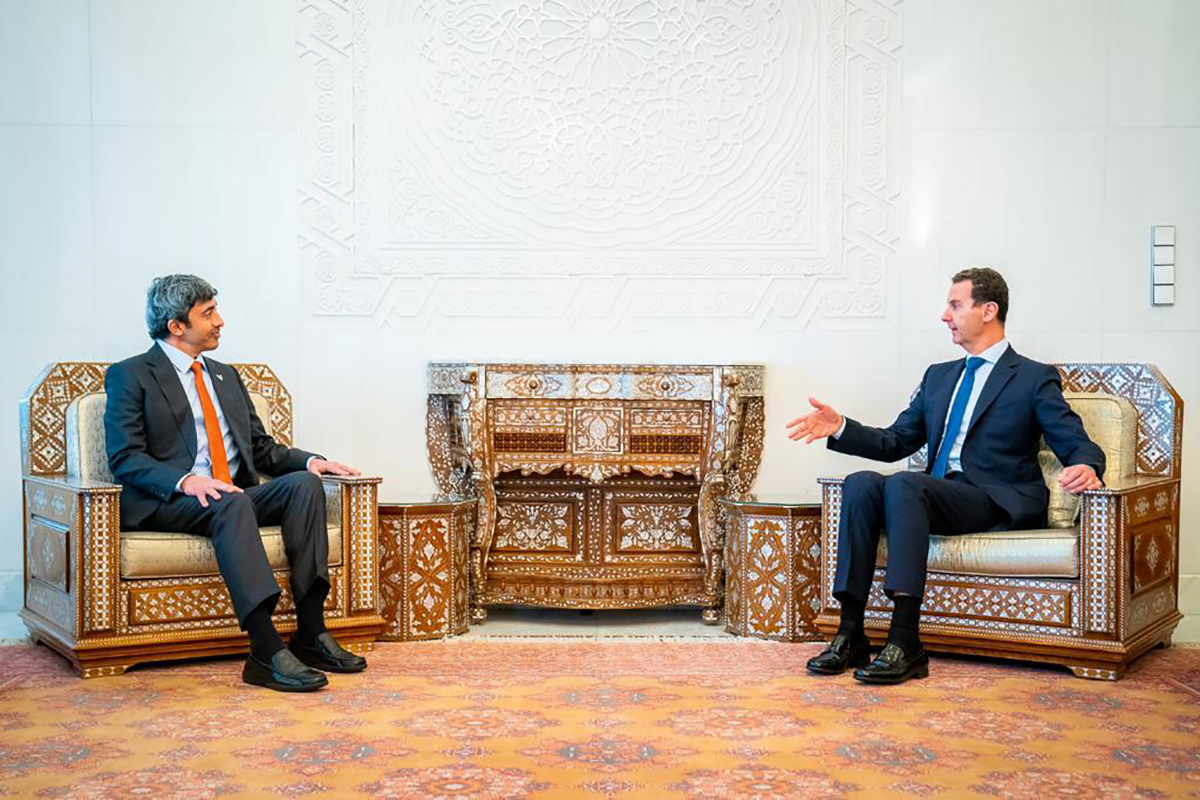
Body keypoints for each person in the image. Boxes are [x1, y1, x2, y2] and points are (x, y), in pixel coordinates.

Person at [786, 267, 1104, 684]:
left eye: (955, 305)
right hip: (933, 496)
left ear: (988, 310)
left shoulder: (1031, 376)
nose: (944, 315)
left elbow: (1073, 437)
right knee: (861, 483)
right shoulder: (939, 377)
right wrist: (841, 426)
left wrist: (1086, 464)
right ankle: (851, 633)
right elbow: (897, 441)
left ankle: (905, 641)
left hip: (994, 496)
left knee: (904, 483)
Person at [105, 274, 367, 692]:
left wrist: (314, 461)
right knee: (232, 502)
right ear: (176, 326)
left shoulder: (224, 375)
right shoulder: (131, 375)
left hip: (231, 496)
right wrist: (187, 480)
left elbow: (262, 449)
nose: (220, 321)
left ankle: (312, 633)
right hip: (172, 501)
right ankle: (264, 649)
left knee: (302, 485)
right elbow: (124, 457)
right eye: (208, 313)